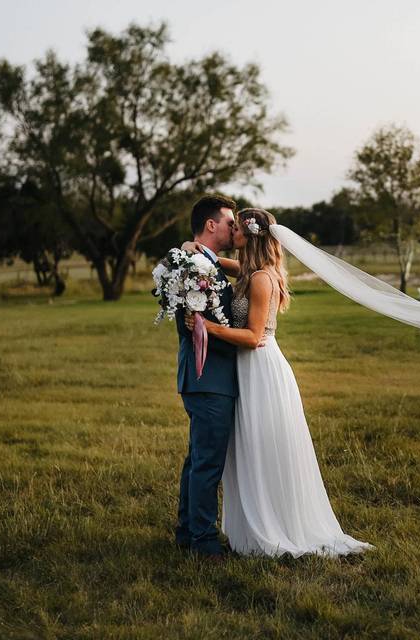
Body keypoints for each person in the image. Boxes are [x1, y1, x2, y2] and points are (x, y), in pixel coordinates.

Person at [182, 207, 374, 558]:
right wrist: (194, 249)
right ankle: (256, 521)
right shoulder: (252, 272)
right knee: (254, 448)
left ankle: (273, 526)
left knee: (265, 447)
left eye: (236, 228)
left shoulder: (259, 279)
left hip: (260, 366)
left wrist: (208, 328)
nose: (232, 232)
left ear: (249, 235)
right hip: (250, 369)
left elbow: (255, 336)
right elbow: (226, 265)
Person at [174, 195, 268, 562]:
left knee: (197, 458)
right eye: (231, 222)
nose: (236, 228)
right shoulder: (195, 267)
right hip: (207, 377)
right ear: (211, 225)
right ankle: (204, 543)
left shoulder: (206, 263)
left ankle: (187, 532)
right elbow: (193, 326)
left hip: (214, 378)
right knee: (207, 463)